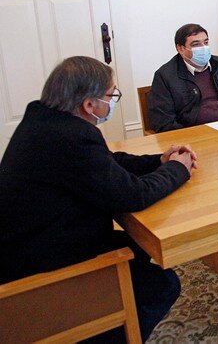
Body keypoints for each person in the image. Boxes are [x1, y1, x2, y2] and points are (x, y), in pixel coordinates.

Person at [0, 56, 196, 342]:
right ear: (89, 105)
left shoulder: (46, 121)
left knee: (136, 245)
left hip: (36, 244)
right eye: (111, 95)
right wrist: (178, 169)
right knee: (163, 285)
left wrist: (159, 161)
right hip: (39, 274)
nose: (113, 102)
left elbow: (106, 162)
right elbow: (134, 195)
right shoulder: (71, 138)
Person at [149, 23, 218, 132]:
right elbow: (163, 122)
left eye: (206, 42)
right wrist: (195, 135)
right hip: (192, 134)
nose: (203, 48)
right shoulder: (165, 76)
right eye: (196, 44)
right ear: (180, 48)